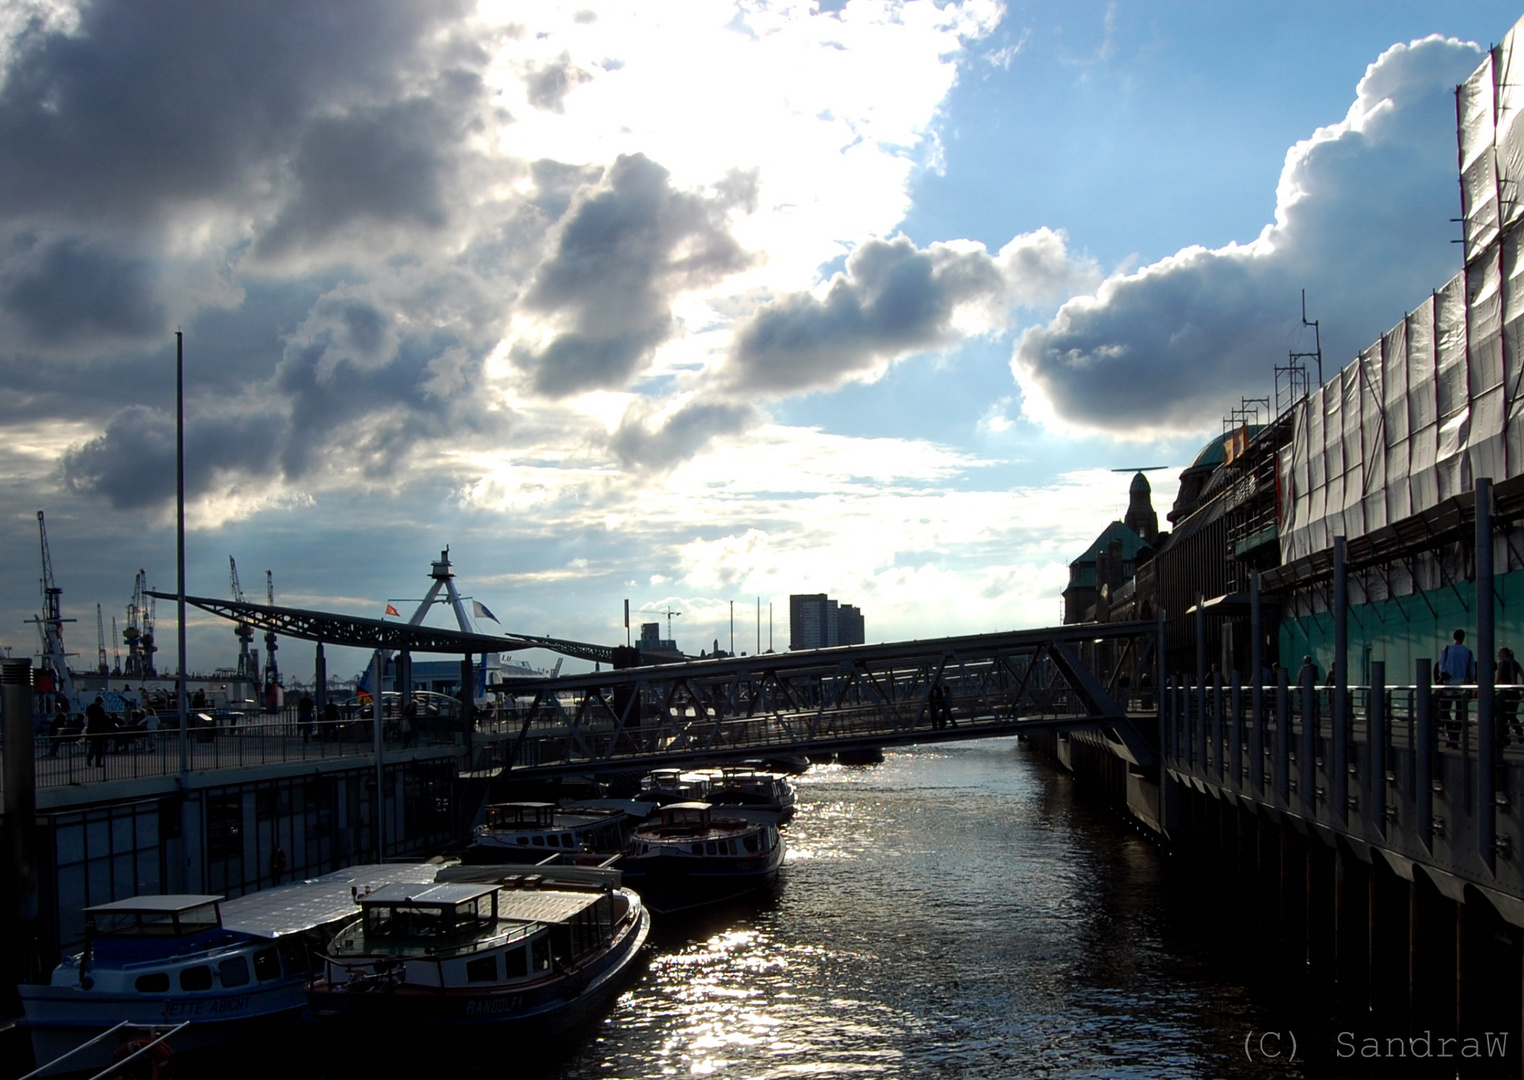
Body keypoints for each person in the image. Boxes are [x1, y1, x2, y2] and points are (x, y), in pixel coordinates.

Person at [1498, 647, 1524, 744]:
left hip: (1505, 692)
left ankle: (1506, 737)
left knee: (1503, 715)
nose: (1498, 655)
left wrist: (1495, 688)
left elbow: (1499, 678)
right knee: (1512, 715)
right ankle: (1520, 733)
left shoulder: (1501, 663)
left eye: (1499, 653)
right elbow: (1522, 675)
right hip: (1515, 693)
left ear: (1504, 653)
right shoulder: (1516, 663)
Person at [84, 696, 112, 768]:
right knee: (100, 748)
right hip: (99, 730)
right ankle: (98, 762)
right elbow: (102, 719)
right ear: (100, 701)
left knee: (93, 746)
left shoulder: (89, 708)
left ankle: (89, 760)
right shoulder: (100, 709)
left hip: (91, 729)